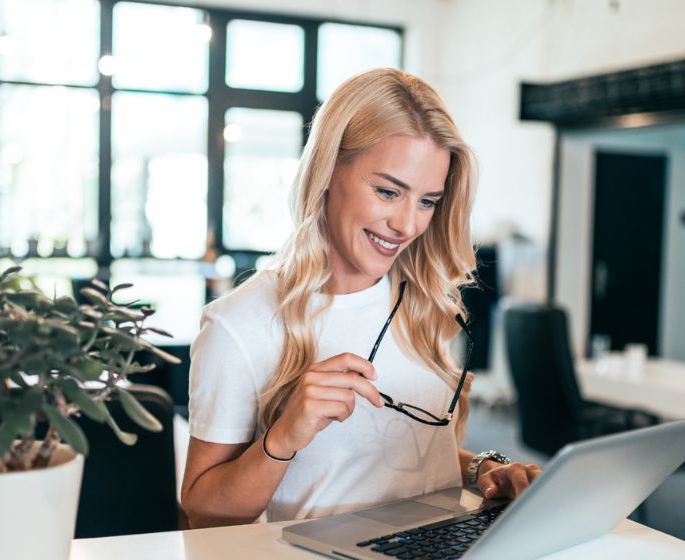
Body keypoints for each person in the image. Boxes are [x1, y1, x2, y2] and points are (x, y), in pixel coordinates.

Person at [180, 68, 540, 529]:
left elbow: (408, 448)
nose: (408, 225)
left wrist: (481, 470)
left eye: (427, 201)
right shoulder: (240, 325)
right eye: (388, 192)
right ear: (328, 171)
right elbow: (203, 509)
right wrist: (285, 434)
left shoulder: (421, 301)